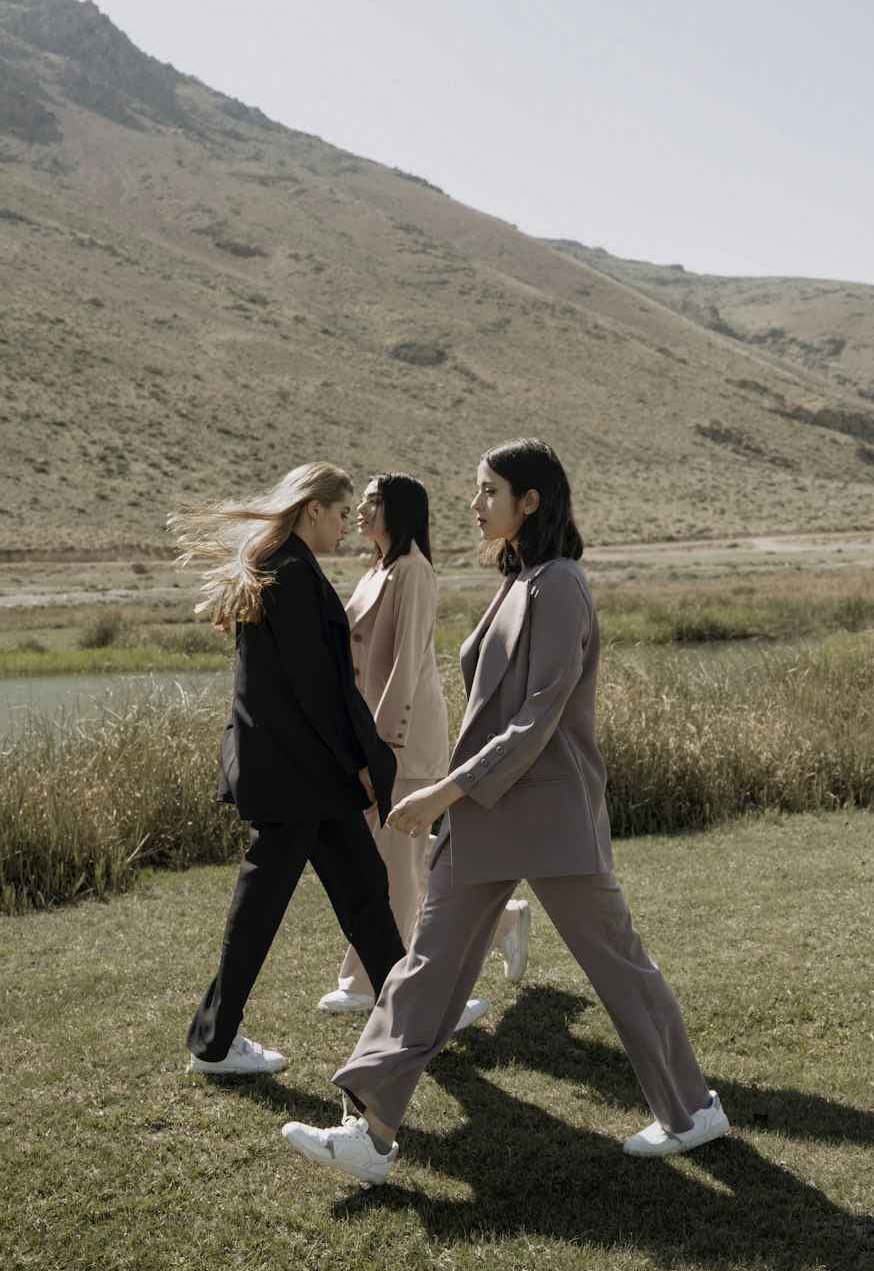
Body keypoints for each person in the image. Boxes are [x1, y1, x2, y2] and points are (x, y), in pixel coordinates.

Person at [280, 439, 729, 1180]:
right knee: (425, 965)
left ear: (532, 502)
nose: (475, 503)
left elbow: (538, 718)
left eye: (490, 490)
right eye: (477, 489)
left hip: (548, 819)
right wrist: (458, 798)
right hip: (488, 818)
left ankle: (692, 1109)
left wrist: (441, 791)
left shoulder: (562, 585)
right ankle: (372, 1131)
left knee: (619, 965)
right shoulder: (519, 580)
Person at [169, 461, 405, 1075]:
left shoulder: (282, 569)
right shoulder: (295, 573)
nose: (348, 527)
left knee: (365, 893)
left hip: (300, 777)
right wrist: (362, 762)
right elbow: (318, 689)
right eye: (340, 511)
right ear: (313, 509)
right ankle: (215, 1045)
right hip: (303, 776)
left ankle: (409, 1019)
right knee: (271, 908)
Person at [317, 472, 531, 1023]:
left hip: (403, 740)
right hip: (375, 737)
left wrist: (380, 748)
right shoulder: (375, 569)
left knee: (392, 860)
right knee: (401, 855)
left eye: (371, 501)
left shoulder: (414, 570)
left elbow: (409, 665)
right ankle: (502, 918)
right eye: (359, 502)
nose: (359, 510)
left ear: (399, 509)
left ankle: (368, 982)